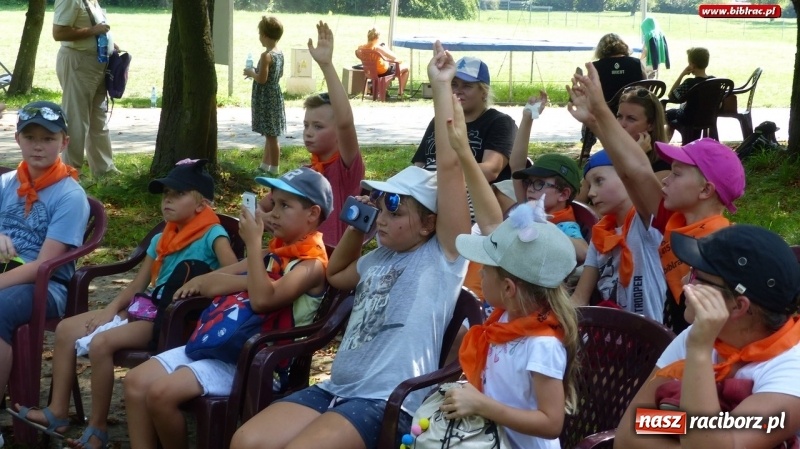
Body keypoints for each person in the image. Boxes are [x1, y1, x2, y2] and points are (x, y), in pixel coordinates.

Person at [229, 40, 471, 449]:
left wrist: (442, 86)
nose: (384, 214)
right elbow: (338, 275)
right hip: (337, 388)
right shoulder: (380, 256)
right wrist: (360, 226)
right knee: (246, 440)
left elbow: (450, 167)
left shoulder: (443, 255)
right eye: (381, 201)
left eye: (394, 207)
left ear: (430, 223)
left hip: (387, 400)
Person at [9, 159, 237, 449]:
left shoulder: (213, 234)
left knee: (102, 343)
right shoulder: (162, 238)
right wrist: (109, 311)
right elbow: (137, 285)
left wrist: (203, 283)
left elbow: (235, 271)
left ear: (202, 204)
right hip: (147, 307)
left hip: (174, 319)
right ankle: (57, 412)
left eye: (178, 194)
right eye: (166, 194)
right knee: (66, 329)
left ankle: (97, 429)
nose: (167, 200)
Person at [123, 167, 332, 449]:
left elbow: (262, 301)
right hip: (220, 342)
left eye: (285, 206)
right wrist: (253, 279)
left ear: (312, 214)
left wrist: (253, 249)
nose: (273, 214)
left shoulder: (310, 265)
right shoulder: (272, 254)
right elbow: (209, 283)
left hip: (256, 362)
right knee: (136, 381)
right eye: (273, 203)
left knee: (161, 393)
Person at [443, 91, 579, 449]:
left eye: (485, 269)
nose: (479, 273)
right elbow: (491, 222)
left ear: (508, 288)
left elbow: (551, 423)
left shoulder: (541, 345)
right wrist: (462, 150)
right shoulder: (508, 318)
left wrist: (481, 404)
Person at [568, 62, 745, 333]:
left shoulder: (722, 245)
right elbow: (632, 173)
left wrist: (601, 110)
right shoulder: (674, 222)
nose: (665, 180)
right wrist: (596, 120)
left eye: (676, 174)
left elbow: (637, 172)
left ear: (705, 190)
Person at [615, 225, 800, 449]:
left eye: (697, 277)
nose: (684, 282)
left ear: (738, 306)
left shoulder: (792, 369)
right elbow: (627, 436)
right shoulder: (699, 335)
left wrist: (700, 352)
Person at [0, 101, 89, 447]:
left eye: (48, 138)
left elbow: (44, 266)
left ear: (64, 142)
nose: (38, 146)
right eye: (31, 137)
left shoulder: (70, 195)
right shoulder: (6, 183)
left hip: (47, 286)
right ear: (18, 139)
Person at [257, 21, 364, 247]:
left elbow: (345, 122)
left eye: (318, 126)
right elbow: (261, 206)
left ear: (338, 133)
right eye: (306, 125)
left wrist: (326, 65)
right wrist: (264, 218)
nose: (308, 133)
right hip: (286, 256)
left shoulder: (346, 170)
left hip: (323, 261)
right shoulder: (304, 173)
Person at [569, 150, 666, 321]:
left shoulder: (645, 223)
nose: (591, 193)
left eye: (599, 181)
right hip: (614, 332)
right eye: (590, 185)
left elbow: (639, 175)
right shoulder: (601, 235)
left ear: (624, 177)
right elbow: (579, 298)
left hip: (650, 333)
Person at [411, 56, 517, 184]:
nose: (458, 91)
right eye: (454, 84)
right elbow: (419, 165)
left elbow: (490, 170)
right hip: (427, 188)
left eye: (467, 86)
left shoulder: (499, 122)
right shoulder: (439, 120)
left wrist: (442, 176)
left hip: (470, 191)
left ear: (484, 92)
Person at [53, 0, 120, 178]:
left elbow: (96, 27)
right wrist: (93, 31)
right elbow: (58, 33)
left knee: (98, 118)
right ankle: (71, 172)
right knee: (76, 119)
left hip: (97, 62)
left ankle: (104, 170)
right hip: (78, 62)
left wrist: (111, 43)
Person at [575, 84, 671, 204]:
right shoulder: (606, 156)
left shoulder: (663, 165)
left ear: (651, 125)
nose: (621, 124)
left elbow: (627, 204)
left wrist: (634, 158)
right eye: (619, 116)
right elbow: (577, 203)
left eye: (631, 119)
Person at [244, 16, 286, 177]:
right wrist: (258, 71)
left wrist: (251, 73)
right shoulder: (279, 53)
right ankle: (264, 165)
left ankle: (274, 169)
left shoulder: (266, 55)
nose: (259, 37)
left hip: (266, 98)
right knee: (269, 135)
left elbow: (262, 79)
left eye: (260, 34)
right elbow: (278, 74)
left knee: (271, 136)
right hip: (274, 94)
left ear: (265, 35)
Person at [665, 47, 712, 140]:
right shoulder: (714, 81)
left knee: (667, 115)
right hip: (708, 118)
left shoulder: (690, 83)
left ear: (692, 65)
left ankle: (664, 143)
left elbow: (671, 96)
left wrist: (682, 74)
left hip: (689, 119)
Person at [591, 33, 647, 102]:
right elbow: (646, 84)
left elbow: (591, 91)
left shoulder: (595, 67)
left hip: (604, 106)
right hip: (634, 105)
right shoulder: (637, 63)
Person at [357, 27, 409, 97]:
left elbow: (358, 54)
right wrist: (385, 49)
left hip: (370, 72)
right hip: (383, 71)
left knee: (391, 65)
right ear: (377, 38)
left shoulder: (360, 48)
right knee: (406, 69)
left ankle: (381, 89)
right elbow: (393, 57)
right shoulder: (377, 48)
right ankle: (400, 92)